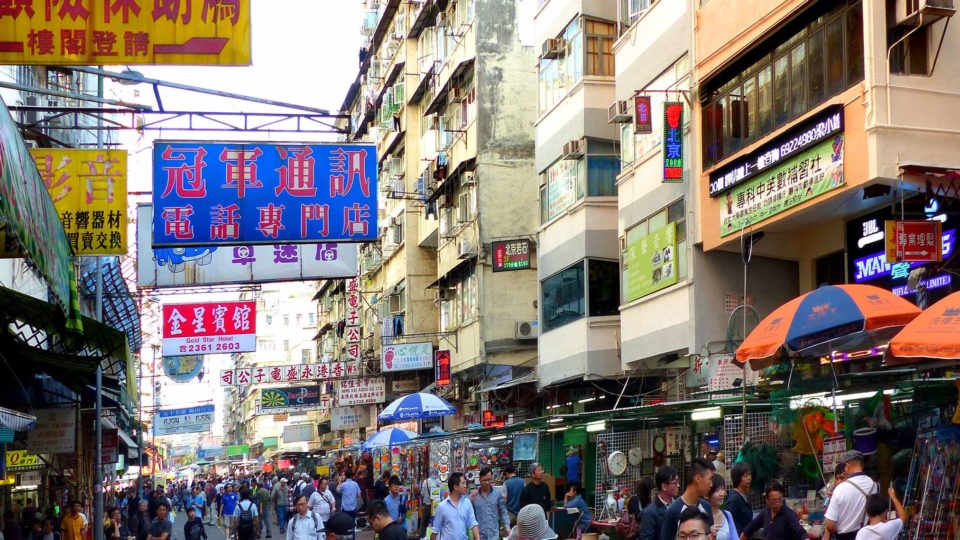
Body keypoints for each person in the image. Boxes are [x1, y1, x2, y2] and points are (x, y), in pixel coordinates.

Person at [825, 451, 880, 540]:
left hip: (845, 537)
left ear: (847, 465)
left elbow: (830, 526)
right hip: (867, 536)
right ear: (862, 465)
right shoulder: (875, 486)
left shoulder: (840, 489)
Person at [661, 458, 714, 540]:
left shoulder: (706, 506)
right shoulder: (673, 511)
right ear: (698, 478)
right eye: (710, 479)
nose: (711, 484)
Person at [739, 482, 806, 540]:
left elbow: (800, 531)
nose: (777, 503)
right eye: (774, 500)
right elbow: (751, 527)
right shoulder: (766, 513)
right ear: (767, 500)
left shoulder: (788, 514)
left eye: (779, 499)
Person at [430, 473, 480, 540]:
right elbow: (435, 530)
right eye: (463, 483)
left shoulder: (467, 503)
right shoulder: (442, 506)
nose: (466, 486)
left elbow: (473, 524)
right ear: (456, 487)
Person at [639, 467, 678, 540]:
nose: (678, 485)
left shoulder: (680, 505)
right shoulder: (649, 513)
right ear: (664, 486)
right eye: (675, 483)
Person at [471, 468, 509, 540]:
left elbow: (503, 511)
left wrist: (507, 526)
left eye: (489, 479)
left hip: (494, 535)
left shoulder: (497, 493)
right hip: (479, 536)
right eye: (484, 480)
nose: (487, 482)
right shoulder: (474, 496)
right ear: (479, 480)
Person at [724, 462, 753, 534]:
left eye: (749, 475)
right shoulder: (734, 499)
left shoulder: (745, 494)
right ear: (738, 477)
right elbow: (728, 523)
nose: (749, 478)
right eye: (745, 476)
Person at [707, 476, 737, 540]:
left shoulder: (727, 515)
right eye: (717, 490)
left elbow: (735, 538)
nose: (721, 494)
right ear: (707, 494)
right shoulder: (700, 515)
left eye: (723, 489)